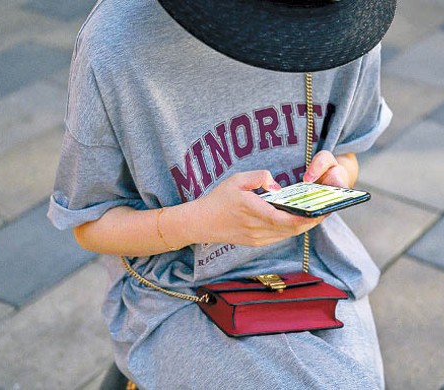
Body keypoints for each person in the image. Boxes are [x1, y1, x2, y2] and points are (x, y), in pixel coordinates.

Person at [47, 0, 395, 388]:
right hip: (176, 290)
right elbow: (90, 223)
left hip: (316, 266)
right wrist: (200, 221)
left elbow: (347, 150)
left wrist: (337, 179)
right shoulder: (119, 40)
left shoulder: (345, 21)